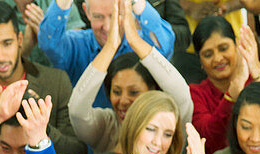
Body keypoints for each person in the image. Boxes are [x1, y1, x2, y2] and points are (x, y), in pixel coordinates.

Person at [0, 1, 87, 154]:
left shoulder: (56, 81)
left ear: (20, 39)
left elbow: (77, 153)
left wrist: (40, 126)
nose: (0, 56)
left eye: (7, 43)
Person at [68, 0, 192, 152]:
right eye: (116, 92)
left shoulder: (167, 124)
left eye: (134, 92)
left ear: (152, 91)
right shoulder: (107, 126)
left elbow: (183, 96)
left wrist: (135, 41)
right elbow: (76, 111)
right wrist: (110, 47)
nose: (124, 101)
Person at [37, 0, 175, 106]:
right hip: (87, 138)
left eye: (115, 16)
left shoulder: (140, 44)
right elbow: (49, 43)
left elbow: (165, 45)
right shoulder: (77, 45)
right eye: (98, 17)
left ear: (128, 12)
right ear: (87, 12)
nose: (108, 27)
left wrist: (136, 3)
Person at [189, 19, 260, 154]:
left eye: (223, 48)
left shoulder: (256, 78)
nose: (218, 58)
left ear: (236, 45)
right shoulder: (196, 93)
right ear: (200, 61)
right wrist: (231, 96)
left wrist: (255, 65)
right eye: (208, 54)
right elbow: (207, 138)